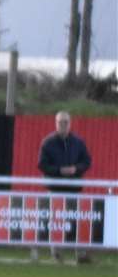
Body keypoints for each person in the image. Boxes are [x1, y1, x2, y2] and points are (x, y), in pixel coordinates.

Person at [38, 111, 94, 264]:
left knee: (78, 221)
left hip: (74, 189)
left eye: (66, 122)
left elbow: (87, 161)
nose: (63, 124)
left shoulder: (78, 142)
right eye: (60, 122)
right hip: (55, 188)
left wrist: (76, 169)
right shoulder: (47, 142)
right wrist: (59, 170)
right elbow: (42, 165)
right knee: (56, 222)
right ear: (55, 123)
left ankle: (81, 255)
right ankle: (56, 254)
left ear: (70, 123)